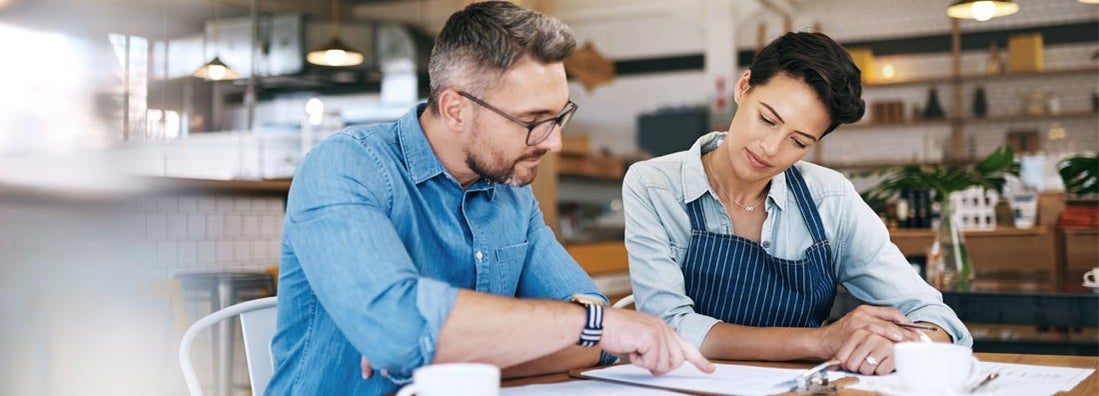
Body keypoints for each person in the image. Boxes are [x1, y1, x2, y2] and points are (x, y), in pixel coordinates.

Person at [267, 2, 713, 394]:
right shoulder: (345, 168)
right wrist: (587, 327)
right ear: (455, 109)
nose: (554, 142)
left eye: (559, 117)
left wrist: (438, 352)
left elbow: (598, 344)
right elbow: (595, 327)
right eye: (534, 120)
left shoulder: (512, 198)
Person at [623, 31, 972, 376]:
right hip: (685, 385)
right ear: (743, 87)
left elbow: (935, 317)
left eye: (799, 140)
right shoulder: (653, 185)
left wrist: (904, 345)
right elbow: (666, 326)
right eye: (767, 119)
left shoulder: (830, 199)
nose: (771, 148)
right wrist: (820, 341)